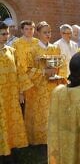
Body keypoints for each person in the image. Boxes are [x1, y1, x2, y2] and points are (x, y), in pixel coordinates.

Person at [25, 21, 66, 145]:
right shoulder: (32, 50)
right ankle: (39, 140)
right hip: (39, 88)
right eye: (45, 32)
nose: (48, 35)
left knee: (53, 112)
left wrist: (57, 72)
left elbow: (62, 65)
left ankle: (53, 137)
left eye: (49, 32)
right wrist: (43, 71)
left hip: (53, 86)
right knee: (40, 114)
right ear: (38, 33)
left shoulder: (55, 48)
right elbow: (27, 69)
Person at [0, 21, 28, 163]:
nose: (6, 36)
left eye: (7, 34)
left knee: (10, 124)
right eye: (3, 34)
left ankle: (9, 151)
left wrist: (21, 92)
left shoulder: (12, 51)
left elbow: (20, 73)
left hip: (11, 97)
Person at [12, 20, 39, 113]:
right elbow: (14, 63)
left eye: (31, 29)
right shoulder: (16, 44)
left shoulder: (38, 42)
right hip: (22, 79)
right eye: (26, 29)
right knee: (23, 107)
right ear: (22, 30)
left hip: (36, 78)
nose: (29, 31)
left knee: (35, 107)